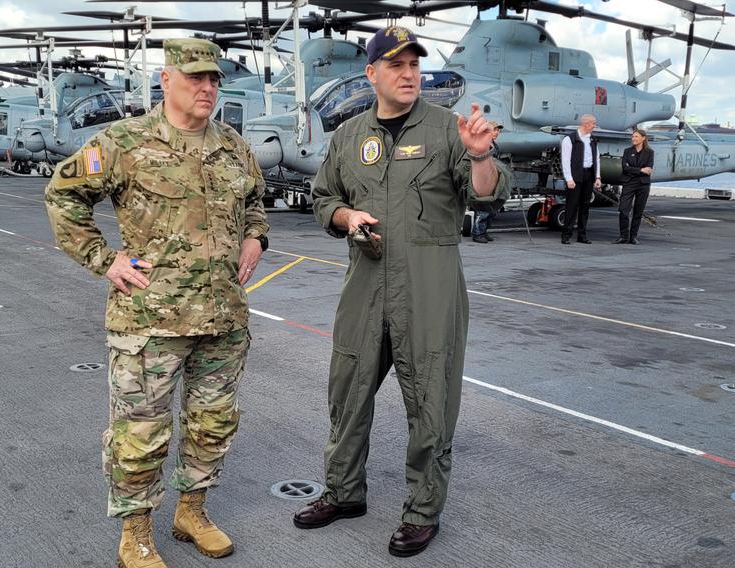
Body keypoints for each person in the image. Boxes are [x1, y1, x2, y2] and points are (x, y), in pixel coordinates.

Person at [45, 38, 269, 568]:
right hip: (150, 321)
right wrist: (105, 260)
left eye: (213, 78)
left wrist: (255, 238)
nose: (207, 87)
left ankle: (192, 511)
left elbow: (257, 202)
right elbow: (63, 195)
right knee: (140, 434)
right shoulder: (124, 142)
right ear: (165, 80)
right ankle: (136, 534)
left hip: (223, 318)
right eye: (195, 77)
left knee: (213, 422)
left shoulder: (233, 146)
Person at [293, 26, 510, 558]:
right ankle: (344, 493)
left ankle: (422, 511)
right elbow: (324, 199)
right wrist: (346, 217)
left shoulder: (448, 130)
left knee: (431, 402)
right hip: (364, 286)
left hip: (429, 290)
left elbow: (487, 197)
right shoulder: (349, 136)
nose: (408, 73)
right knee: (346, 393)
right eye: (395, 65)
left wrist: (481, 157)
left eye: (414, 63)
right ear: (371, 75)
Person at [559, 114, 601, 244]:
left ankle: (582, 235)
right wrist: (569, 179)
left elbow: (597, 159)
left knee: (585, 206)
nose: (595, 126)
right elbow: (565, 161)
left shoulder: (592, 140)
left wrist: (597, 176)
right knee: (572, 206)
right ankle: (566, 235)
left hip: (589, 174)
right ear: (586, 124)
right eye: (593, 123)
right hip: (575, 176)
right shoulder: (570, 139)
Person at [616, 128, 654, 244]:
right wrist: (641, 170)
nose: (634, 139)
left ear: (643, 138)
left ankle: (633, 236)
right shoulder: (627, 151)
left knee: (638, 211)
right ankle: (624, 236)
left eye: (636, 137)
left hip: (643, 184)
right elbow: (625, 168)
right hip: (629, 183)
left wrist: (636, 170)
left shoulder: (649, 152)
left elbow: (649, 169)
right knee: (623, 209)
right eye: (633, 137)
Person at [471, 121, 503, 243]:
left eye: (498, 130)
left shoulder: (493, 145)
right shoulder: (482, 144)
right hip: (483, 180)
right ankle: (477, 233)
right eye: (495, 130)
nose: (497, 132)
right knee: (482, 208)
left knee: (491, 209)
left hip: (492, 179)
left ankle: (484, 231)